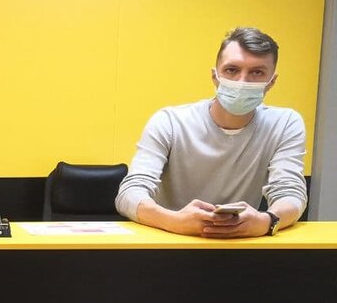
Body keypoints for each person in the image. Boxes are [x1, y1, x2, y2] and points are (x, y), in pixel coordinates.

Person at [115, 26, 307, 237]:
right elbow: (129, 194)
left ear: (271, 82)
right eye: (232, 70)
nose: (242, 82)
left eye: (257, 72)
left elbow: (290, 193)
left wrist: (267, 221)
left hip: (240, 245)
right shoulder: (170, 122)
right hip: (169, 242)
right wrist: (174, 221)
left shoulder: (285, 123)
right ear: (215, 76)